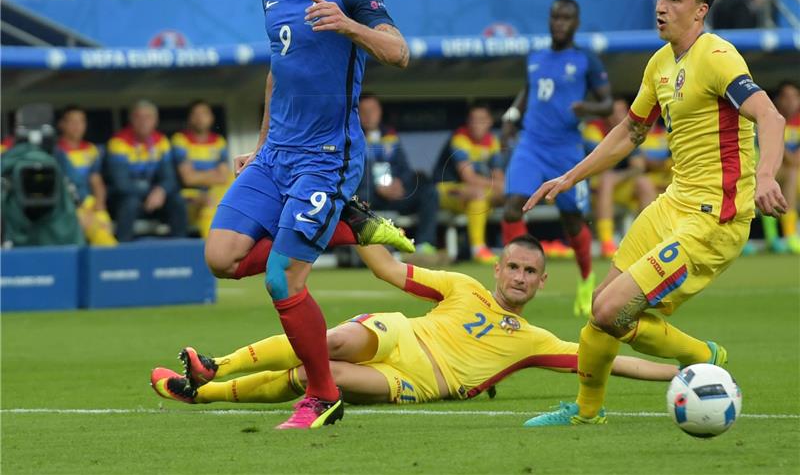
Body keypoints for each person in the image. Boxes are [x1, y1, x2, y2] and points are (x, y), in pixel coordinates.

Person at [521, 0, 787, 427]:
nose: (661, 7)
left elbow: (771, 117)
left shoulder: (718, 57)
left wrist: (766, 177)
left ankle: (701, 355)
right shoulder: (660, 63)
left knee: (608, 311)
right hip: (672, 204)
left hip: (713, 219)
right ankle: (586, 414)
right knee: (602, 308)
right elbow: (629, 131)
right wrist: (570, 177)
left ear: (700, 11)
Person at [203, 0, 413, 430]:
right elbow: (279, 72)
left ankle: (323, 395)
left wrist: (348, 24)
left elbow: (399, 51)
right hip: (276, 155)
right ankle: (350, 226)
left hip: (327, 155)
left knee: (282, 278)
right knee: (221, 257)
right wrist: (261, 143)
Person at [151, 236, 679, 407]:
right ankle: (213, 365)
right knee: (328, 342)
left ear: (543, 283)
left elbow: (612, 362)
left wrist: (681, 374)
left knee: (312, 380)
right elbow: (385, 267)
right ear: (498, 269)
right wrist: (358, 222)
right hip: (397, 332)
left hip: (414, 382)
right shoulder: (462, 285)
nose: (519, 277)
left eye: (530, 272)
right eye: (513, 266)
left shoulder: (535, 341)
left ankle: (202, 393)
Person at [501, 0, 612, 317]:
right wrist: (511, 116)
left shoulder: (586, 60)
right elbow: (529, 91)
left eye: (566, 19)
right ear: (549, 20)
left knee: (572, 220)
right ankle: (514, 281)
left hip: (566, 150)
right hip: (531, 145)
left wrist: (586, 108)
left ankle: (587, 278)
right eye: (555, 18)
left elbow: (606, 103)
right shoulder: (536, 56)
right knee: (512, 208)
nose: (560, 23)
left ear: (576, 23)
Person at [357, 93, 443, 263]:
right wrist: (377, 188)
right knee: (355, 201)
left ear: (380, 111)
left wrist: (399, 183)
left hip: (395, 193)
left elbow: (404, 167)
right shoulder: (351, 137)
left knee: (429, 192)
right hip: (370, 196)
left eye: (373, 110)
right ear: (356, 113)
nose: (369, 115)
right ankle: (365, 254)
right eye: (364, 111)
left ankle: (424, 246)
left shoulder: (390, 136)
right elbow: (352, 172)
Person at [106, 100, 188, 242]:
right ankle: (123, 252)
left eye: (148, 117)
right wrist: (151, 193)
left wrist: (161, 190)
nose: (143, 122)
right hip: (126, 198)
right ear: (131, 119)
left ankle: (179, 247)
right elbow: (121, 184)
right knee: (129, 203)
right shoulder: (118, 142)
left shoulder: (161, 141)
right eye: (139, 117)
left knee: (177, 201)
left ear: (155, 120)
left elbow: (169, 178)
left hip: (154, 200)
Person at [584, 98, 654, 259]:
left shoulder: (631, 132)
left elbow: (638, 167)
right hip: (593, 189)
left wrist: (619, 176)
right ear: (607, 115)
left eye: (624, 112)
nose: (621, 116)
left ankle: (649, 241)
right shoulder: (594, 130)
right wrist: (613, 176)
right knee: (607, 179)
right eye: (616, 112)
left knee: (644, 182)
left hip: (618, 188)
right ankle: (607, 242)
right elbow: (599, 163)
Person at [437, 104, 505, 264]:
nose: (477, 124)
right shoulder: (460, 138)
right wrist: (498, 186)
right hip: (445, 189)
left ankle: (514, 247)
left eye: (481, 120)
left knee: (510, 195)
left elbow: (498, 175)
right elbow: (469, 177)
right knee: (478, 194)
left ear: (490, 122)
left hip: (477, 190)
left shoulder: (492, 140)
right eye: (473, 120)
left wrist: (503, 189)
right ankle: (478, 249)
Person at [54, 106, 117, 247]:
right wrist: (78, 209)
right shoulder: (55, 152)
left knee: (104, 223)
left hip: (90, 204)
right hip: (68, 206)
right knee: (95, 230)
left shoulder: (91, 149)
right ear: (62, 124)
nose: (77, 126)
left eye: (81, 122)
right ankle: (116, 260)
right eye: (72, 122)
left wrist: (100, 205)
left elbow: (96, 180)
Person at [171, 101, 231, 239]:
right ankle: (213, 249)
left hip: (213, 195)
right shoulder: (180, 140)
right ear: (189, 118)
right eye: (196, 114)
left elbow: (223, 177)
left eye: (204, 113)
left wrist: (199, 175)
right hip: (187, 196)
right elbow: (188, 179)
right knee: (211, 206)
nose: (200, 118)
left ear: (211, 118)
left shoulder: (218, 141)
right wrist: (212, 174)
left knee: (228, 186)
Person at [759, 80, 800, 254]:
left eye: (795, 97)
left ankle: (789, 236)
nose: (790, 101)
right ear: (778, 100)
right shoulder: (770, 119)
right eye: (786, 97)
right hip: (775, 172)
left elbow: (795, 161)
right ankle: (773, 238)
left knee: (792, 174)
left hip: (794, 173)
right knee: (765, 180)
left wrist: (779, 144)